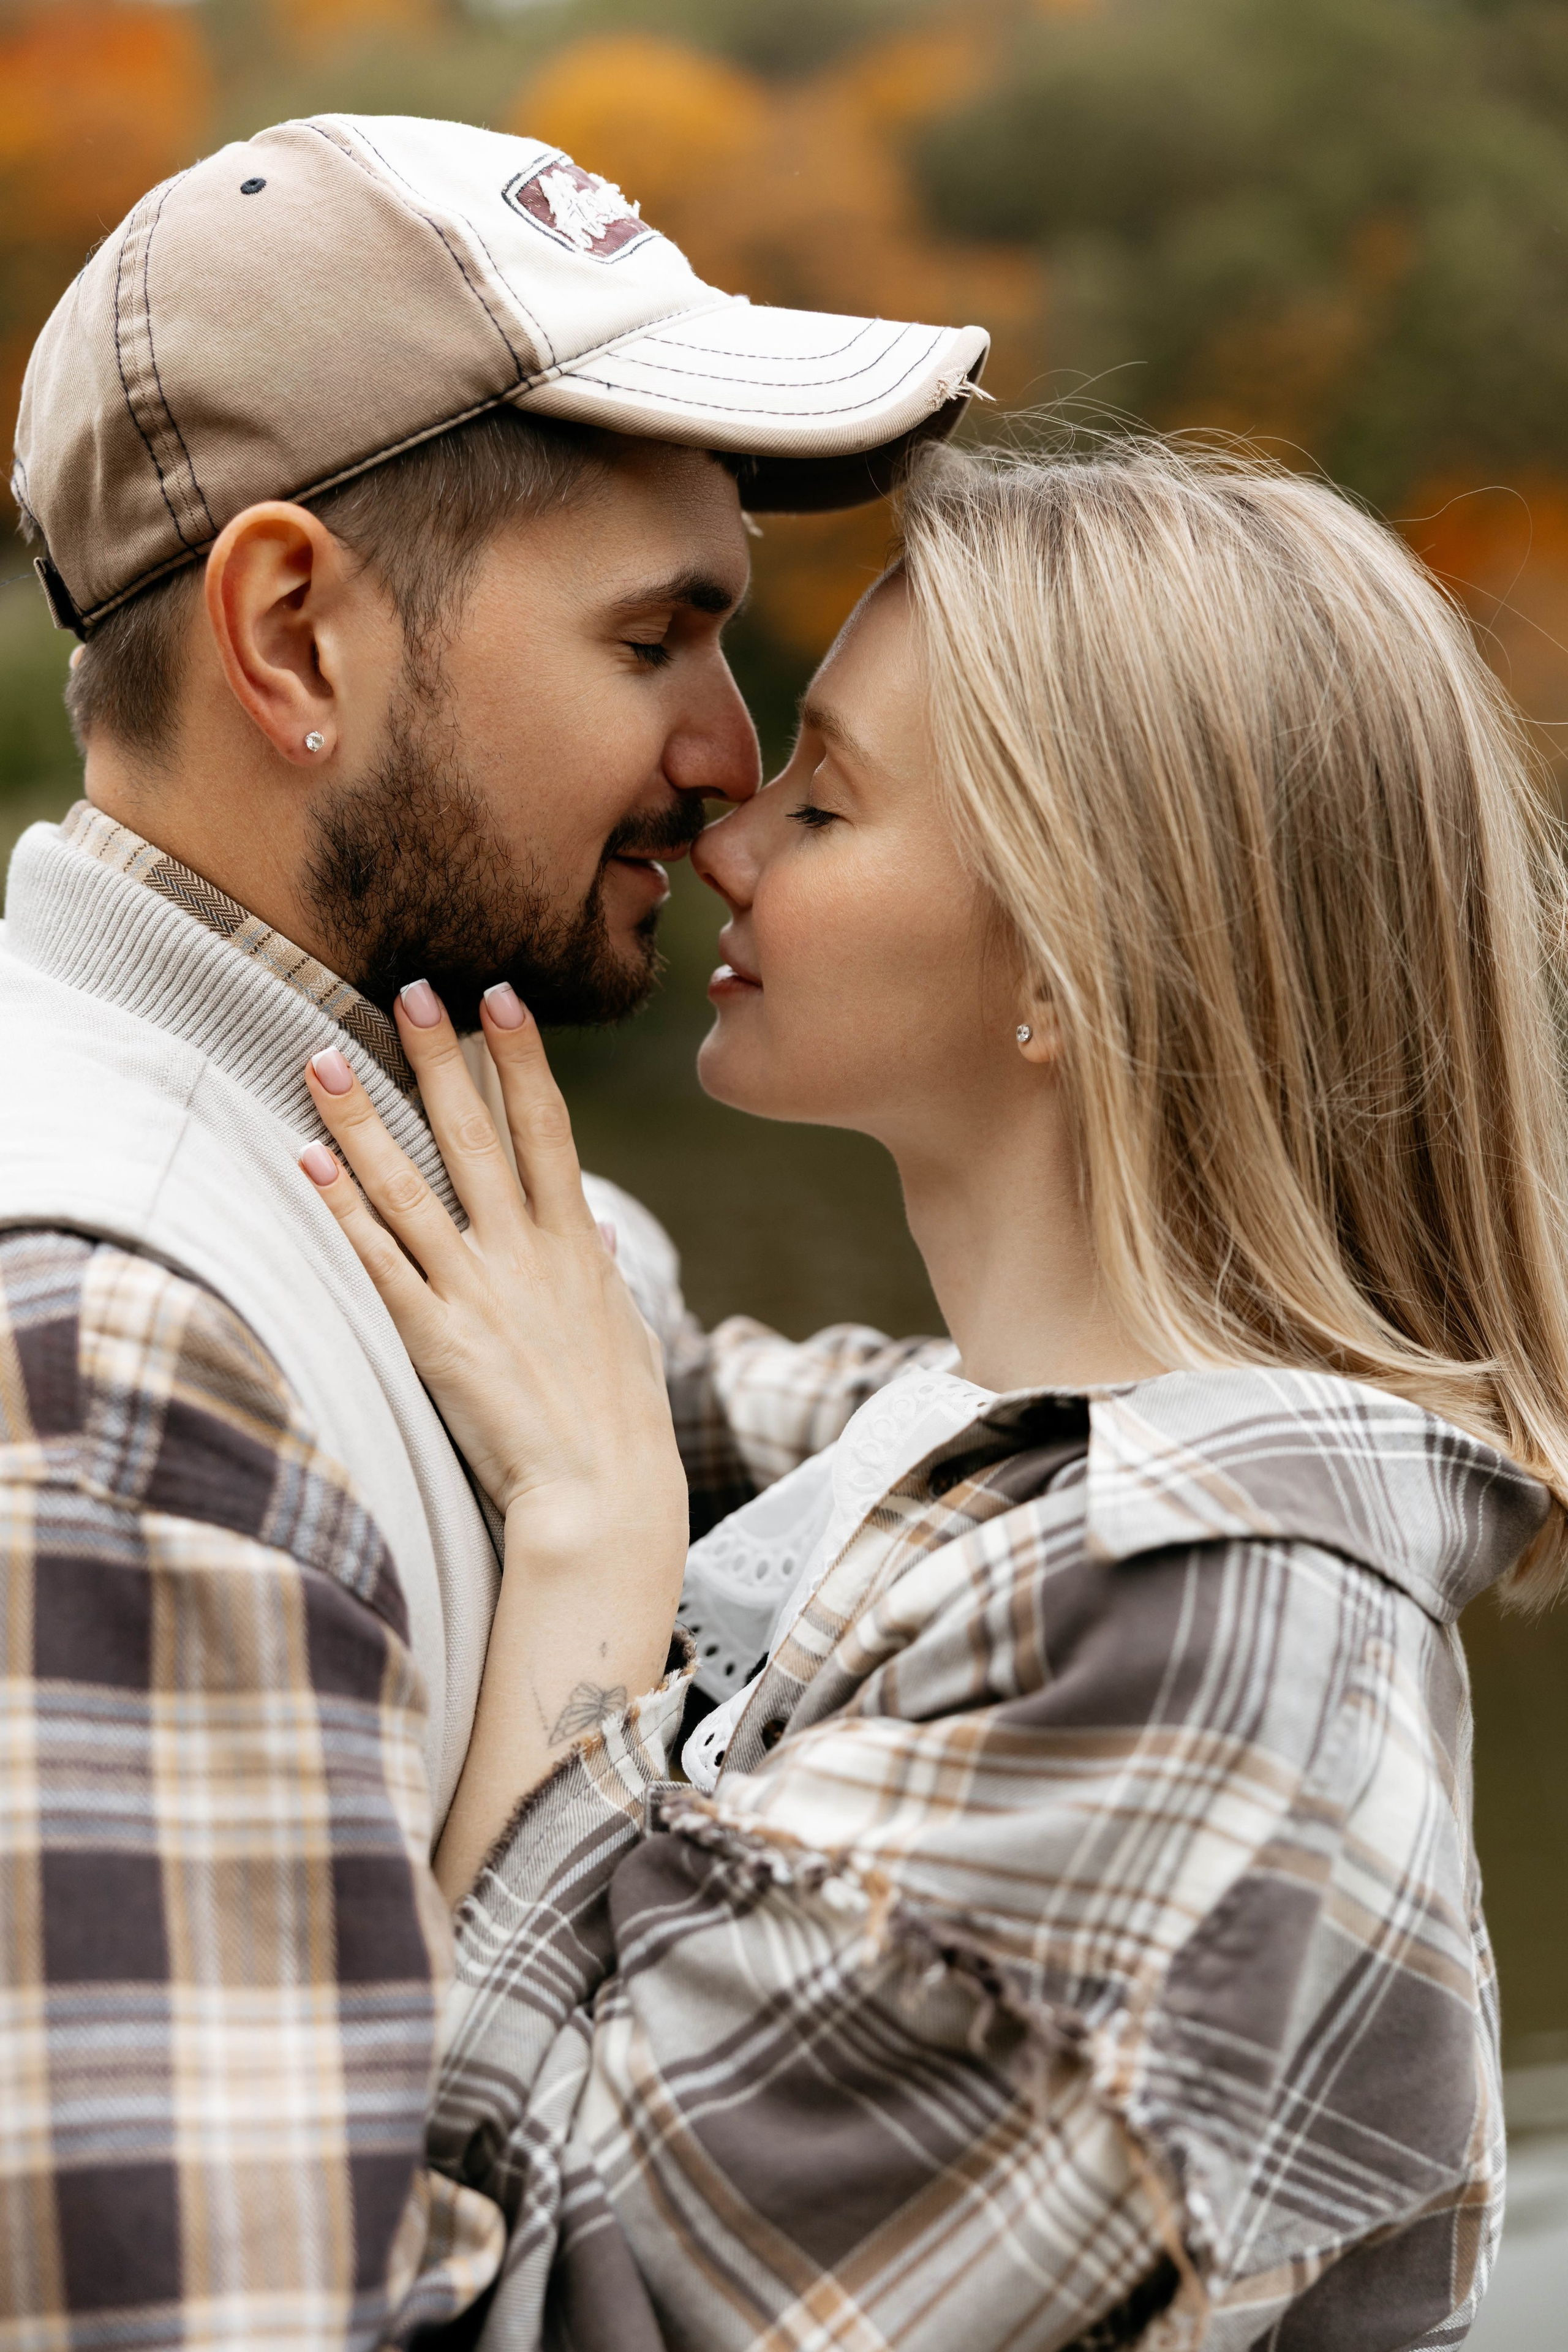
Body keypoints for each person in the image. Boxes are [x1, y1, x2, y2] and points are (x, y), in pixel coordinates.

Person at [303, 439, 1568, 2350]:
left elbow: (537, 2296)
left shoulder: (1208, 1624)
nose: (727, 836)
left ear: (1076, 952)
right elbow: (641, 1367)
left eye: (828, 810)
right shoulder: (1012, 1467)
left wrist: (593, 1556)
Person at [0, 115, 985, 2338]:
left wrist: (1366, 1372)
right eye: (659, 635)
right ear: (292, 640)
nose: (733, 758)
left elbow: (840, 1429)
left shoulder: (383, 1135)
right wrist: (601, 1587)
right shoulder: (103, 1360)